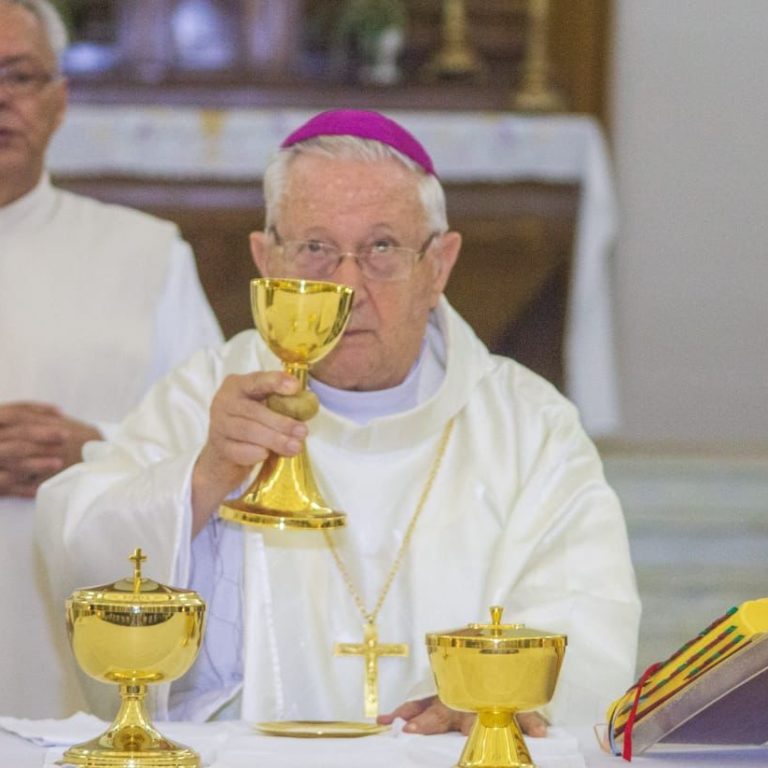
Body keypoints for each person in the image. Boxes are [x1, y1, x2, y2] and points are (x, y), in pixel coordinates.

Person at [37, 108, 641, 735]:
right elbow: (79, 539)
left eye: (381, 248)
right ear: (266, 260)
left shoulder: (528, 426)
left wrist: (503, 696)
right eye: (316, 248)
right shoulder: (204, 396)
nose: (346, 284)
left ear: (439, 266)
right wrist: (205, 475)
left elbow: (585, 605)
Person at [1, 0, 223, 717]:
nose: (0, 98)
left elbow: (217, 452)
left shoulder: (147, 256)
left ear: (60, 102)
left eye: (20, 75)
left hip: (94, 650)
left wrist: (99, 451)